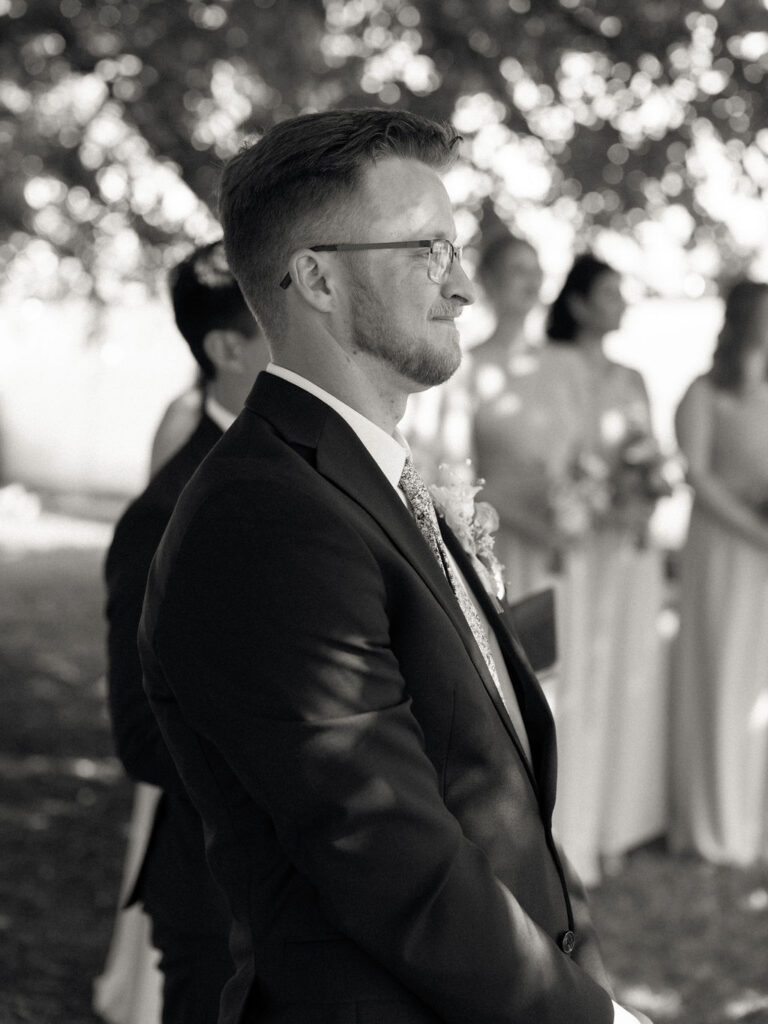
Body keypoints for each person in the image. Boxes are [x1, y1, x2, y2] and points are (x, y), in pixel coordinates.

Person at [139, 108, 651, 1024]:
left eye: (454, 250)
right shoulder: (265, 518)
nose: (460, 287)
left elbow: (483, 778)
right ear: (318, 279)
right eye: (426, 249)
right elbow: (387, 851)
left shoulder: (375, 477)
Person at [97, 240, 269, 1024]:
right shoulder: (162, 520)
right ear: (228, 349)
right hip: (220, 894)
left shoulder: (327, 467)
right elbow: (142, 735)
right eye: (283, 323)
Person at [544, 254, 668, 886]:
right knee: (572, 681)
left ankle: (619, 825)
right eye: (611, 293)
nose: (621, 303)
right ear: (581, 304)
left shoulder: (634, 377)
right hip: (574, 546)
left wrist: (645, 489)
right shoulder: (551, 367)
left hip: (626, 550)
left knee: (627, 677)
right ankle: (570, 827)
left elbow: (651, 459)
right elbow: (556, 457)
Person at [671, 278, 768, 864]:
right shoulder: (704, 393)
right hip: (725, 550)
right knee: (722, 674)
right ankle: (713, 826)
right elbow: (697, 477)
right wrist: (760, 532)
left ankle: (754, 820)